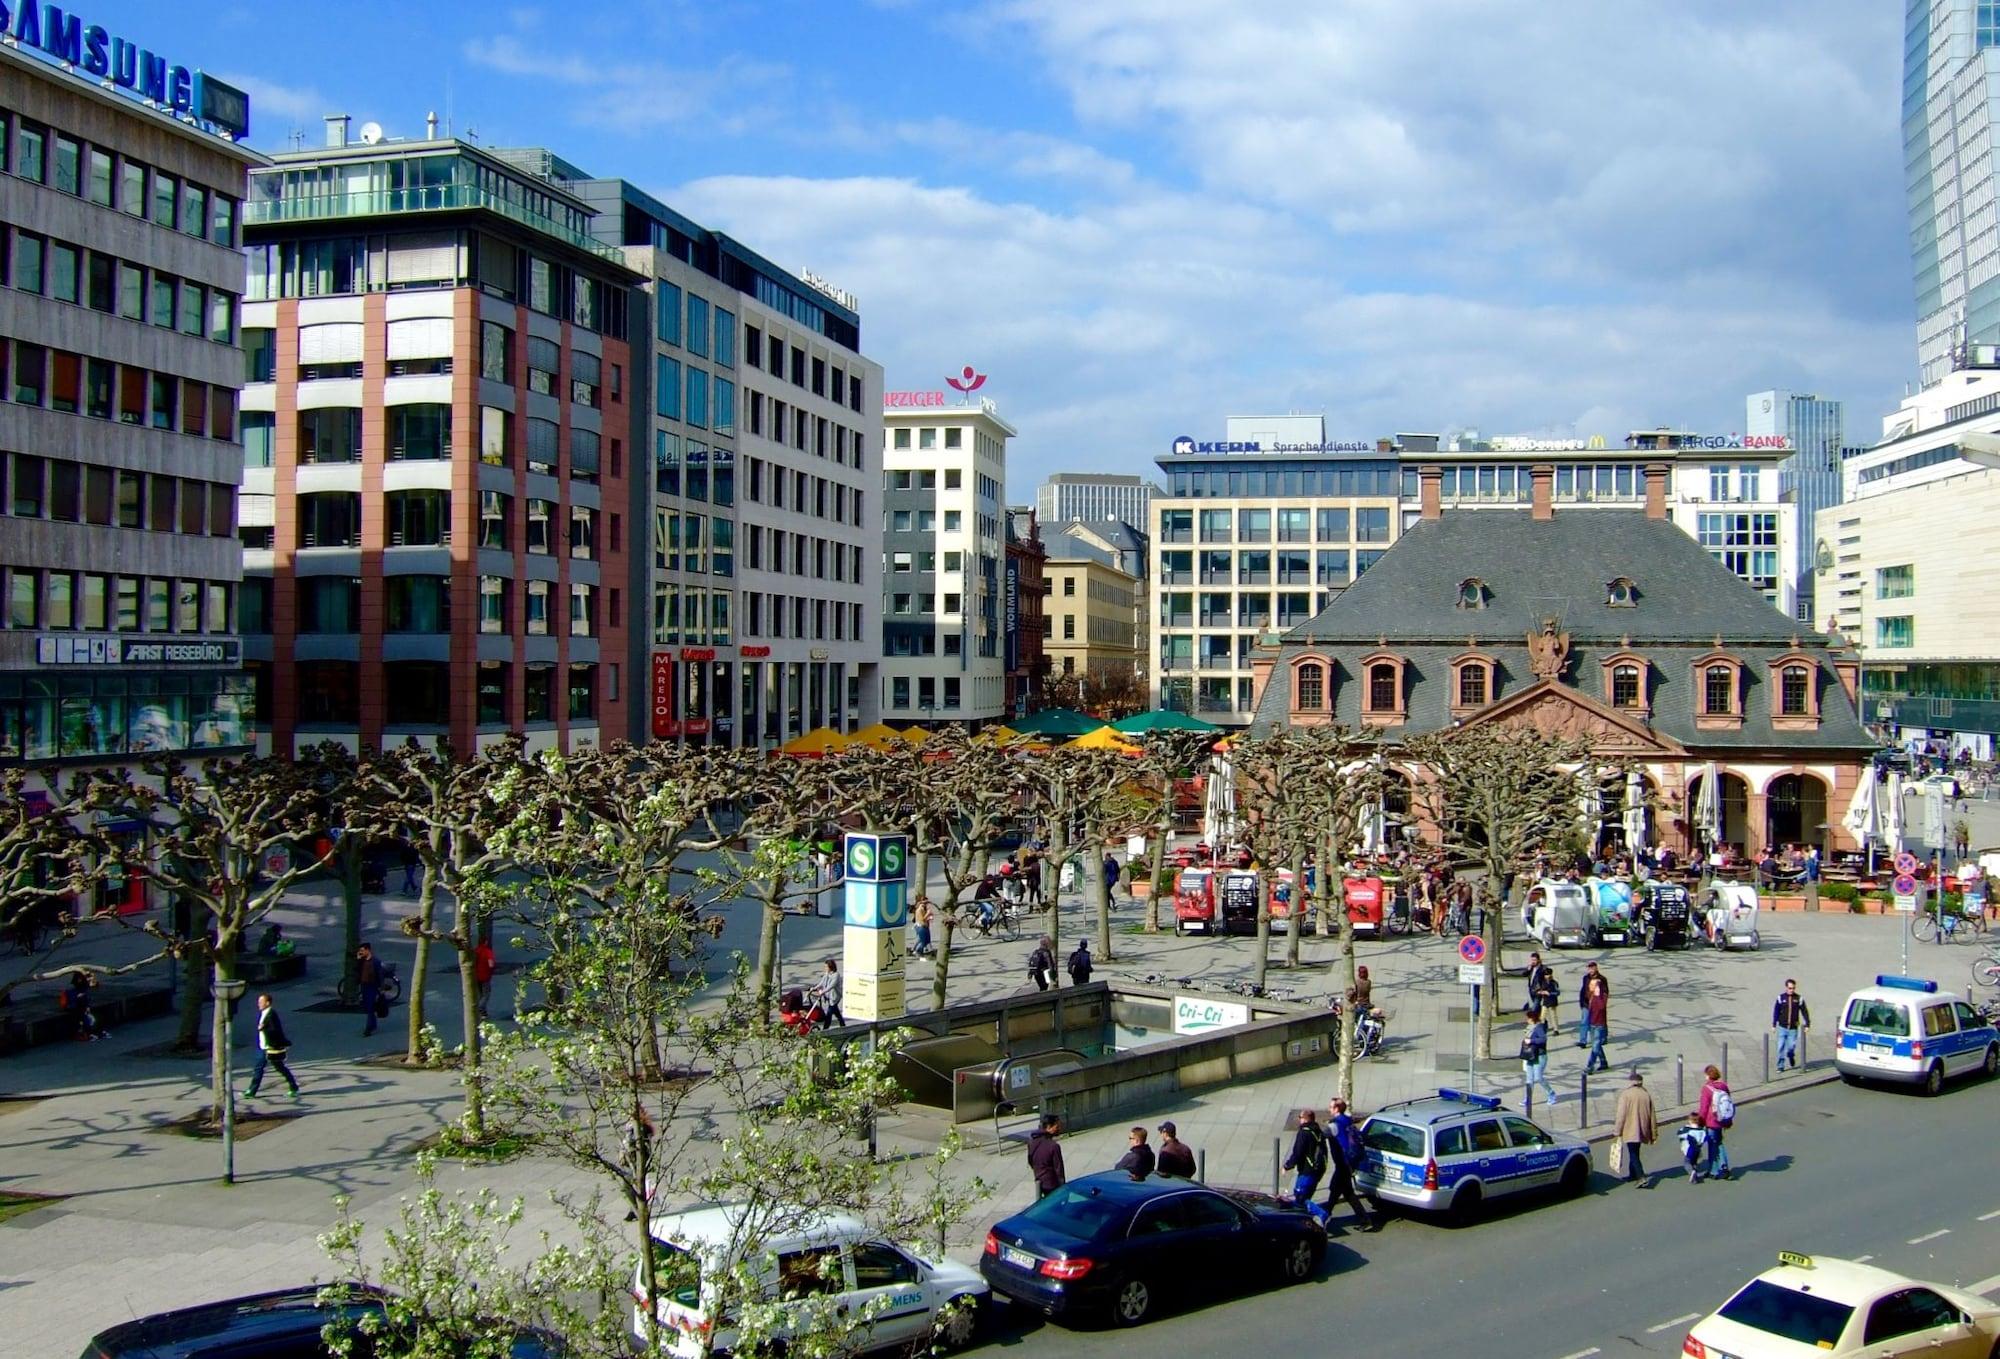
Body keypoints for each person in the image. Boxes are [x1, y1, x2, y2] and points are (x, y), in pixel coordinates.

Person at [1321, 1100, 1380, 1231]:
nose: (1329, 1109)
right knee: (1343, 1191)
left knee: (1339, 1189)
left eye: (1331, 1107)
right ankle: (1326, 1216)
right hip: (1349, 1162)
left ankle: (1323, 1217)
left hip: (1343, 1163)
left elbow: (1320, 1136)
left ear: (1336, 1109)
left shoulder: (1335, 1125)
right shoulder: (1347, 1120)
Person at [244, 993, 299, 1100]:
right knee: (258, 1068)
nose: (258, 1004)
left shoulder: (272, 1014)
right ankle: (252, 1091)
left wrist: (263, 1028)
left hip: (271, 1048)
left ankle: (294, 1087)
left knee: (280, 1068)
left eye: (261, 1002)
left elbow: (275, 1030)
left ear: (267, 1003)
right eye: (258, 1002)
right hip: (262, 1047)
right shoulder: (263, 1013)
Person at [1612, 1069, 1657, 1187]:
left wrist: (1617, 1130)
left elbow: (1621, 1115)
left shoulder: (1625, 1095)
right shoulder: (1646, 1094)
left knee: (1633, 1153)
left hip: (1630, 1128)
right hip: (1643, 1128)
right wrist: (1653, 1132)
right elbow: (1652, 1115)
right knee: (1635, 1151)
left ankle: (1641, 1177)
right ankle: (1633, 1174)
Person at [1282, 1108, 1328, 1205]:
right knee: (1305, 1197)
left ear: (1305, 1119)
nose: (1299, 1119)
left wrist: (1287, 1166)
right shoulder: (1318, 1131)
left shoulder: (1304, 1133)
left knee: (1300, 1197)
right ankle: (1307, 1218)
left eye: (1300, 1117)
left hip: (1307, 1170)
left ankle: (1322, 1214)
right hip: (1318, 1169)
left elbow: (1298, 1152)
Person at [1697, 1063, 1733, 1181]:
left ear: (1708, 1075)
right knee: (1718, 1142)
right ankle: (1720, 1167)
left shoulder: (1706, 1089)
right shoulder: (1723, 1086)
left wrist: (1700, 1122)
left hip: (1711, 1121)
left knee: (1713, 1145)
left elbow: (1704, 1108)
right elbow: (1728, 1103)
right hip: (1721, 1120)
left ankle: (1716, 1170)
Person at [1520, 1006, 1558, 1110]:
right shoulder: (1528, 1028)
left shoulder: (1539, 1028)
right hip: (1530, 1055)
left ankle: (1551, 1093)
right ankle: (1527, 1098)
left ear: (1532, 1019)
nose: (1526, 1020)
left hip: (1539, 1056)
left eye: (1528, 1018)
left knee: (1538, 1077)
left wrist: (1531, 1041)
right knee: (1529, 1079)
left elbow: (1543, 1039)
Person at [1578, 962, 1611, 1073]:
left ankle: (1590, 1065)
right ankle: (1604, 1062)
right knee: (1595, 1044)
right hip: (1592, 1022)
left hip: (1599, 1024)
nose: (1589, 986)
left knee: (1595, 1045)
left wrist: (1598, 994)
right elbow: (1584, 993)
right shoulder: (1591, 996)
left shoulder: (1600, 997)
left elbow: (1602, 1006)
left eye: (1592, 985)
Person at [1772, 979, 1810, 1072]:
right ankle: (1780, 1066)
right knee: (1780, 1047)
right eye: (1790, 988)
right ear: (1786, 988)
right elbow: (1776, 1011)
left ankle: (1791, 1055)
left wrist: (1807, 1024)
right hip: (1782, 1027)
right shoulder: (1781, 998)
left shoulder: (1798, 998)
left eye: (1793, 988)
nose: (1791, 990)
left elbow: (1804, 1011)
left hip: (1793, 1028)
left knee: (1791, 1047)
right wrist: (1774, 1024)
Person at [1027, 1113, 1066, 1197]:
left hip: (1040, 1181)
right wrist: (1063, 1187)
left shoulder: (1032, 1142)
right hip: (1052, 1184)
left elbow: (1030, 1161)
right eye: (1057, 1126)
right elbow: (1059, 1170)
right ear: (1049, 1127)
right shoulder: (1054, 1146)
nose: (1059, 1128)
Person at [63, 970, 103, 1041]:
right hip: (76, 1008)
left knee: (88, 1018)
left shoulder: (80, 990)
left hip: (79, 1008)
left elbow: (94, 986)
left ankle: (89, 1032)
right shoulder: (72, 992)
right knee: (84, 1019)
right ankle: (85, 1033)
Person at [1526, 952, 1559, 1035]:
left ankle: (1534, 1027)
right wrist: (1528, 969)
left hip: (1540, 994)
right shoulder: (1531, 968)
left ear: (1538, 960)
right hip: (1532, 991)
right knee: (1539, 1011)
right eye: (1532, 959)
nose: (1533, 961)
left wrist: (1543, 991)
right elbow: (1524, 974)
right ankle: (1544, 1025)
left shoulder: (1542, 969)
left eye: (1534, 960)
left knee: (1534, 1009)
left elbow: (1548, 984)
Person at [1677, 1110, 1710, 1184]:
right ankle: (1695, 1176)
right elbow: (1705, 1138)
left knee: (1687, 1162)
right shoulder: (1702, 1131)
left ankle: (1692, 1172)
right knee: (1694, 1162)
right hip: (1698, 1150)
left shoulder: (1687, 1130)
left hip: (1689, 1150)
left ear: (1690, 1121)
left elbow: (1679, 1133)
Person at [356, 943, 382, 1037]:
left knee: (370, 1007)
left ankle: (368, 1028)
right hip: (364, 985)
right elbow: (357, 971)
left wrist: (381, 987)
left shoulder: (375, 962)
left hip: (372, 986)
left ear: (368, 950)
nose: (361, 952)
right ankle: (373, 1024)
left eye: (362, 950)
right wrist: (358, 960)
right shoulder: (362, 961)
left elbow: (380, 975)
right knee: (367, 1006)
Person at [812, 958, 843, 1026]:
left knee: (829, 1013)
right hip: (829, 996)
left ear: (831, 967)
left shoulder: (836, 975)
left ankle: (825, 1029)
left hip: (834, 997)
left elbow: (831, 986)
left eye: (826, 967)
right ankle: (842, 1024)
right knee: (836, 1011)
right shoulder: (827, 974)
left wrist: (822, 992)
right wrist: (814, 988)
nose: (825, 968)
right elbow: (822, 982)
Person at [473, 939, 497, 1019]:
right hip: (485, 976)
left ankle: (483, 1012)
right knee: (486, 994)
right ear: (486, 942)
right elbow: (491, 964)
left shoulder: (476, 950)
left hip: (475, 975)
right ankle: (480, 1008)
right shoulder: (487, 951)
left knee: (480, 994)